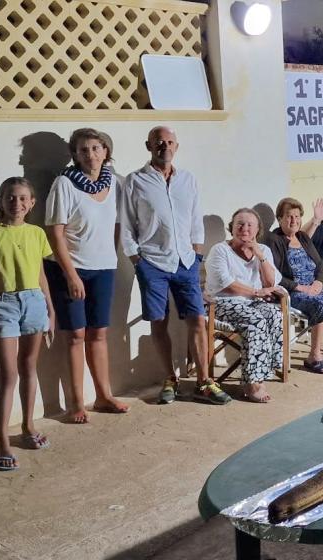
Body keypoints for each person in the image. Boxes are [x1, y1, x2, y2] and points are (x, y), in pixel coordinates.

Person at [120, 126, 226, 405]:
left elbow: (195, 219)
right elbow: (127, 224)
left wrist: (197, 253)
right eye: (158, 142)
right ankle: (171, 379)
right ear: (148, 146)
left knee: (197, 320)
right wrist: (136, 260)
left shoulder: (188, 180)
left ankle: (204, 381)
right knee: (159, 321)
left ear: (176, 147)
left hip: (186, 262)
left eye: (169, 142)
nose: (164, 146)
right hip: (152, 262)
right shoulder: (134, 181)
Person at [0, 178, 56, 471]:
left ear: (31, 202)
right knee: (8, 375)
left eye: (23, 199)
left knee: (29, 368)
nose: (16, 204)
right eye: (10, 198)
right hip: (2, 304)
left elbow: (41, 274)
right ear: (1, 200)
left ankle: (28, 426)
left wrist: (50, 309)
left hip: (34, 302)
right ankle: (1, 441)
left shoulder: (36, 234)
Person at [43, 128, 126, 422]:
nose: (90, 155)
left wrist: (110, 256)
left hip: (103, 268)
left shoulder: (115, 183)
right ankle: (76, 403)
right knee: (76, 335)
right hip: (70, 269)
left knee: (99, 333)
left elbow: (117, 224)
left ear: (105, 151)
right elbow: (55, 232)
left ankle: (104, 396)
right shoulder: (64, 184)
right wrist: (71, 275)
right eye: (83, 150)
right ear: (75, 155)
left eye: (95, 148)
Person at [204, 208, 284, 403]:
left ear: (257, 229)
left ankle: (262, 372)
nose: (244, 228)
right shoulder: (220, 250)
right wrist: (256, 292)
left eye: (250, 225)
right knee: (256, 321)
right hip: (222, 303)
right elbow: (227, 284)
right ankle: (252, 382)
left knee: (274, 313)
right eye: (240, 224)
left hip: (252, 303)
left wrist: (260, 256)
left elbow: (270, 282)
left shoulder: (263, 250)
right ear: (232, 227)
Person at [266, 198, 323, 374]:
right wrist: (299, 287)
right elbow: (274, 275)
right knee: (320, 306)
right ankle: (314, 356)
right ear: (279, 218)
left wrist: (319, 282)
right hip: (292, 292)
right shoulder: (274, 239)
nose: (294, 220)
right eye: (289, 216)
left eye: (297, 216)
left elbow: (319, 264)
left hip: (313, 287)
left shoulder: (303, 237)